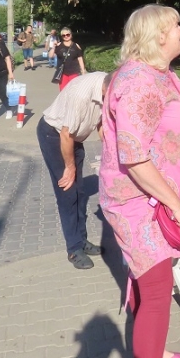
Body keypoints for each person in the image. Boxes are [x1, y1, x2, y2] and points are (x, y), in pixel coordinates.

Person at [99, 4, 180, 358]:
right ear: (158, 35)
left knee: (149, 284)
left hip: (156, 199)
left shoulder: (163, 75)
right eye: (177, 26)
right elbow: (134, 156)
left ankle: (154, 352)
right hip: (139, 202)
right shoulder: (139, 81)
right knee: (158, 293)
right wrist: (177, 206)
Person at [37, 71, 110, 269]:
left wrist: (110, 151)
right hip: (55, 136)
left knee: (80, 192)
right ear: (107, 89)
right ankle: (74, 249)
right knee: (68, 193)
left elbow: (102, 121)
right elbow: (65, 135)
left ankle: (81, 240)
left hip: (73, 138)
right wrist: (70, 167)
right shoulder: (81, 95)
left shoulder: (109, 84)